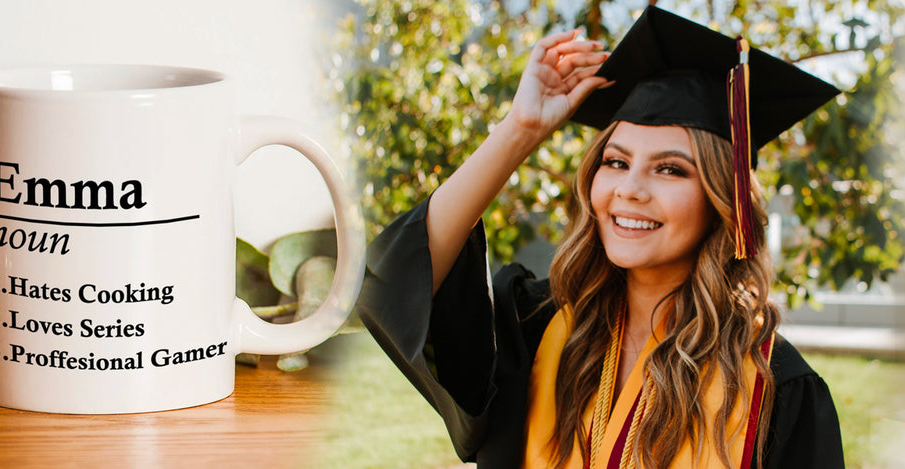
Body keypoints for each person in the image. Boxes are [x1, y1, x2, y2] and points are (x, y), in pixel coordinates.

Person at [355, 6, 845, 468]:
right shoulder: (538, 327)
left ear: (723, 202)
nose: (629, 189)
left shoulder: (777, 388)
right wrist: (520, 130)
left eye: (670, 170)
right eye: (616, 162)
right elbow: (395, 280)